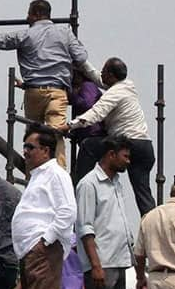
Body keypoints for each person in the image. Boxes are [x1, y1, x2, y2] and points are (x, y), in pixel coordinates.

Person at [0, 0, 103, 167]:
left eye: (29, 13)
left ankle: (33, 175)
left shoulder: (26, 35)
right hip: (57, 92)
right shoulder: (65, 33)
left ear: (37, 14)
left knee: (33, 135)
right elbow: (81, 57)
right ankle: (59, 174)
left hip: (34, 93)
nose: (27, 17)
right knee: (56, 134)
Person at [60, 58, 154, 215]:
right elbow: (96, 76)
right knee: (143, 193)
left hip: (126, 142)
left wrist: (69, 125)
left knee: (89, 145)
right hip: (144, 146)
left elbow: (96, 113)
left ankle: (78, 187)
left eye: (104, 71)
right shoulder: (127, 86)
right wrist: (81, 60)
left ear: (111, 75)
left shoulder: (115, 93)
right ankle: (152, 224)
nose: (100, 74)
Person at [11, 126, 76, 289]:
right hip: (30, 251)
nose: (25, 152)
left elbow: (68, 210)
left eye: (30, 147)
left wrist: (45, 241)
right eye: (24, 147)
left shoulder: (56, 174)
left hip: (42, 249)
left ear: (46, 150)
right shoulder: (38, 175)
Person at [75, 136, 135, 289]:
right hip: (102, 263)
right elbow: (85, 228)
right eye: (125, 156)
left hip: (119, 261)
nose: (128, 161)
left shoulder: (116, 182)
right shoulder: (89, 184)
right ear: (111, 155)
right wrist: (96, 266)